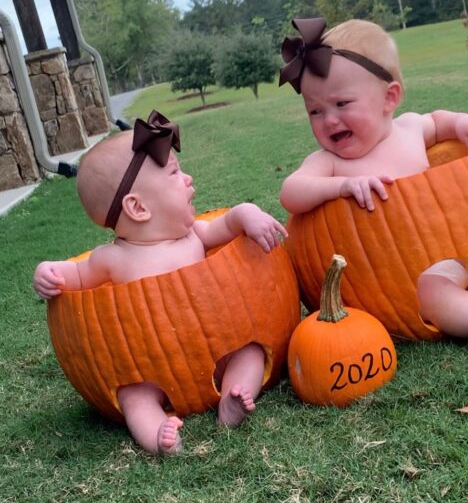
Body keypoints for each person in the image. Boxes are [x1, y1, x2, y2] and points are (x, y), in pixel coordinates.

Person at [279, 18, 468, 347]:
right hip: (416, 272)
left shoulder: (411, 128)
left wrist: (461, 123)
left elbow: (438, 121)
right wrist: (341, 187)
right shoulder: (330, 162)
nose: (329, 119)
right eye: (314, 111)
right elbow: (292, 192)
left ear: (389, 98)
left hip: (464, 237)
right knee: (432, 294)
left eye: (342, 104)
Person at [33, 110, 288, 455]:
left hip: (220, 347)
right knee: (132, 396)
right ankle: (157, 435)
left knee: (252, 352)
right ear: (138, 208)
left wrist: (248, 213)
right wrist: (48, 271)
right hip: (150, 369)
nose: (187, 178)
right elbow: (74, 275)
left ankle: (233, 397)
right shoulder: (113, 259)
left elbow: (226, 225)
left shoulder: (195, 233)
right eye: (174, 173)